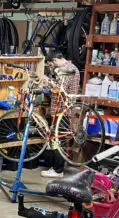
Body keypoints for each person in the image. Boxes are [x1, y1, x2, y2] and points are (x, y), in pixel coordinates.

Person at [40, 50, 80, 179]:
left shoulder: (70, 69)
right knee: (55, 138)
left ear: (55, 61)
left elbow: (60, 88)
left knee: (59, 140)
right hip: (58, 109)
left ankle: (58, 170)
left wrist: (48, 82)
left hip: (64, 110)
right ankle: (55, 167)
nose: (53, 67)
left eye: (52, 65)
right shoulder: (66, 68)